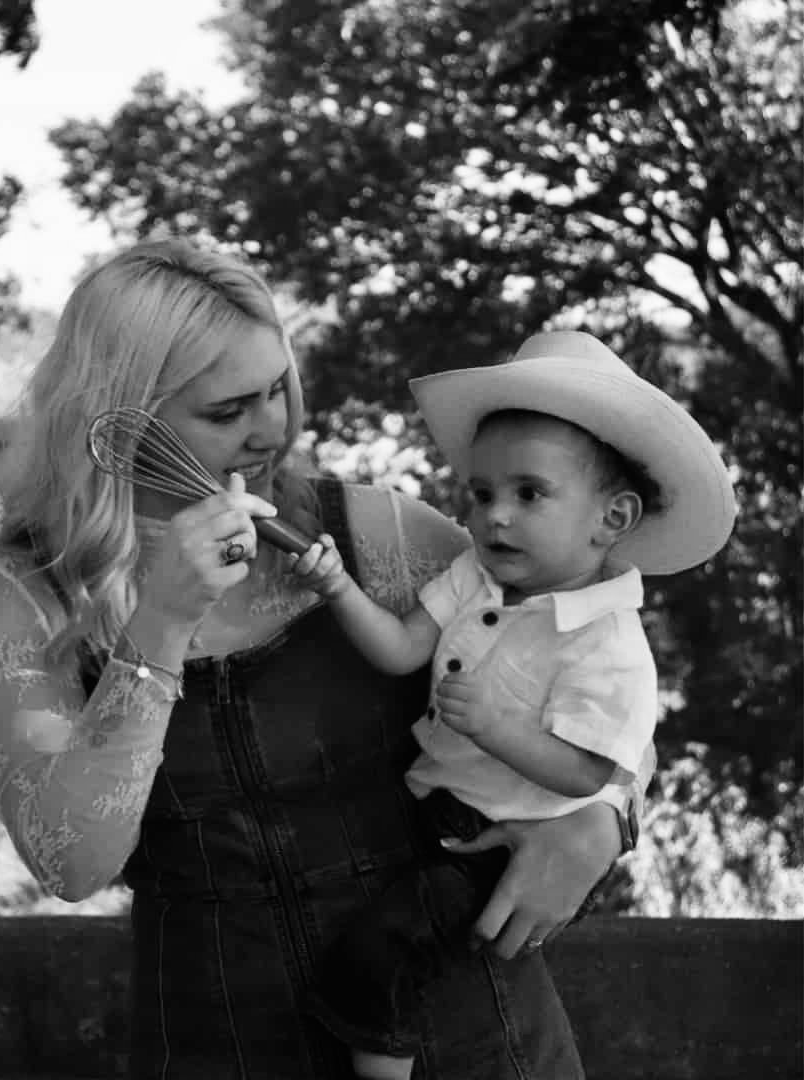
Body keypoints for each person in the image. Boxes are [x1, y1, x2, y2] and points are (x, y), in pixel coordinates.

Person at [0, 239, 655, 1078]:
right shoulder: (27, 596)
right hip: (218, 1036)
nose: (273, 430)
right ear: (117, 418)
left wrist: (602, 823)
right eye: (226, 412)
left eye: (278, 390)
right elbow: (69, 863)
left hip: (465, 1025)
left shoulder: (375, 535)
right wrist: (160, 623)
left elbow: (600, 682)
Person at [283, 331, 735, 1079]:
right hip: (436, 817)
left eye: (529, 494)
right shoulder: (472, 577)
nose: (494, 516)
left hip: (514, 845)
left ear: (610, 520)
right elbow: (399, 648)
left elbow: (589, 774)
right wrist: (337, 589)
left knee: (384, 950)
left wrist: (494, 727)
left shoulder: (606, 644)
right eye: (482, 494)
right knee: (389, 936)